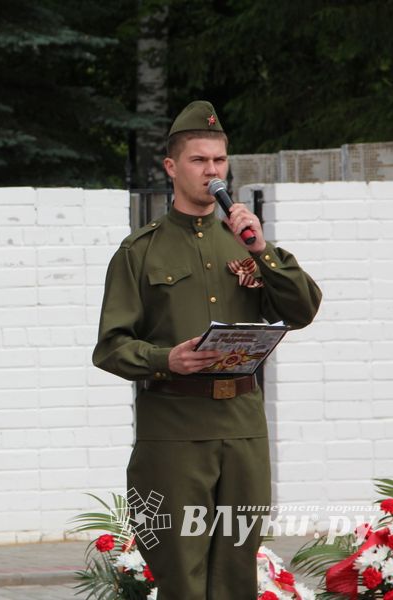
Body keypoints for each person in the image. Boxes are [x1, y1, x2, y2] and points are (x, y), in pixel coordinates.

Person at [92, 101, 321, 599]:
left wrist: (262, 251)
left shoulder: (246, 241)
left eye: (219, 161)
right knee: (182, 574)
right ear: (172, 168)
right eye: (199, 161)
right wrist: (164, 358)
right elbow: (110, 348)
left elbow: (302, 310)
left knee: (237, 572)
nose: (212, 171)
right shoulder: (140, 251)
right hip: (173, 430)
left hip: (242, 428)